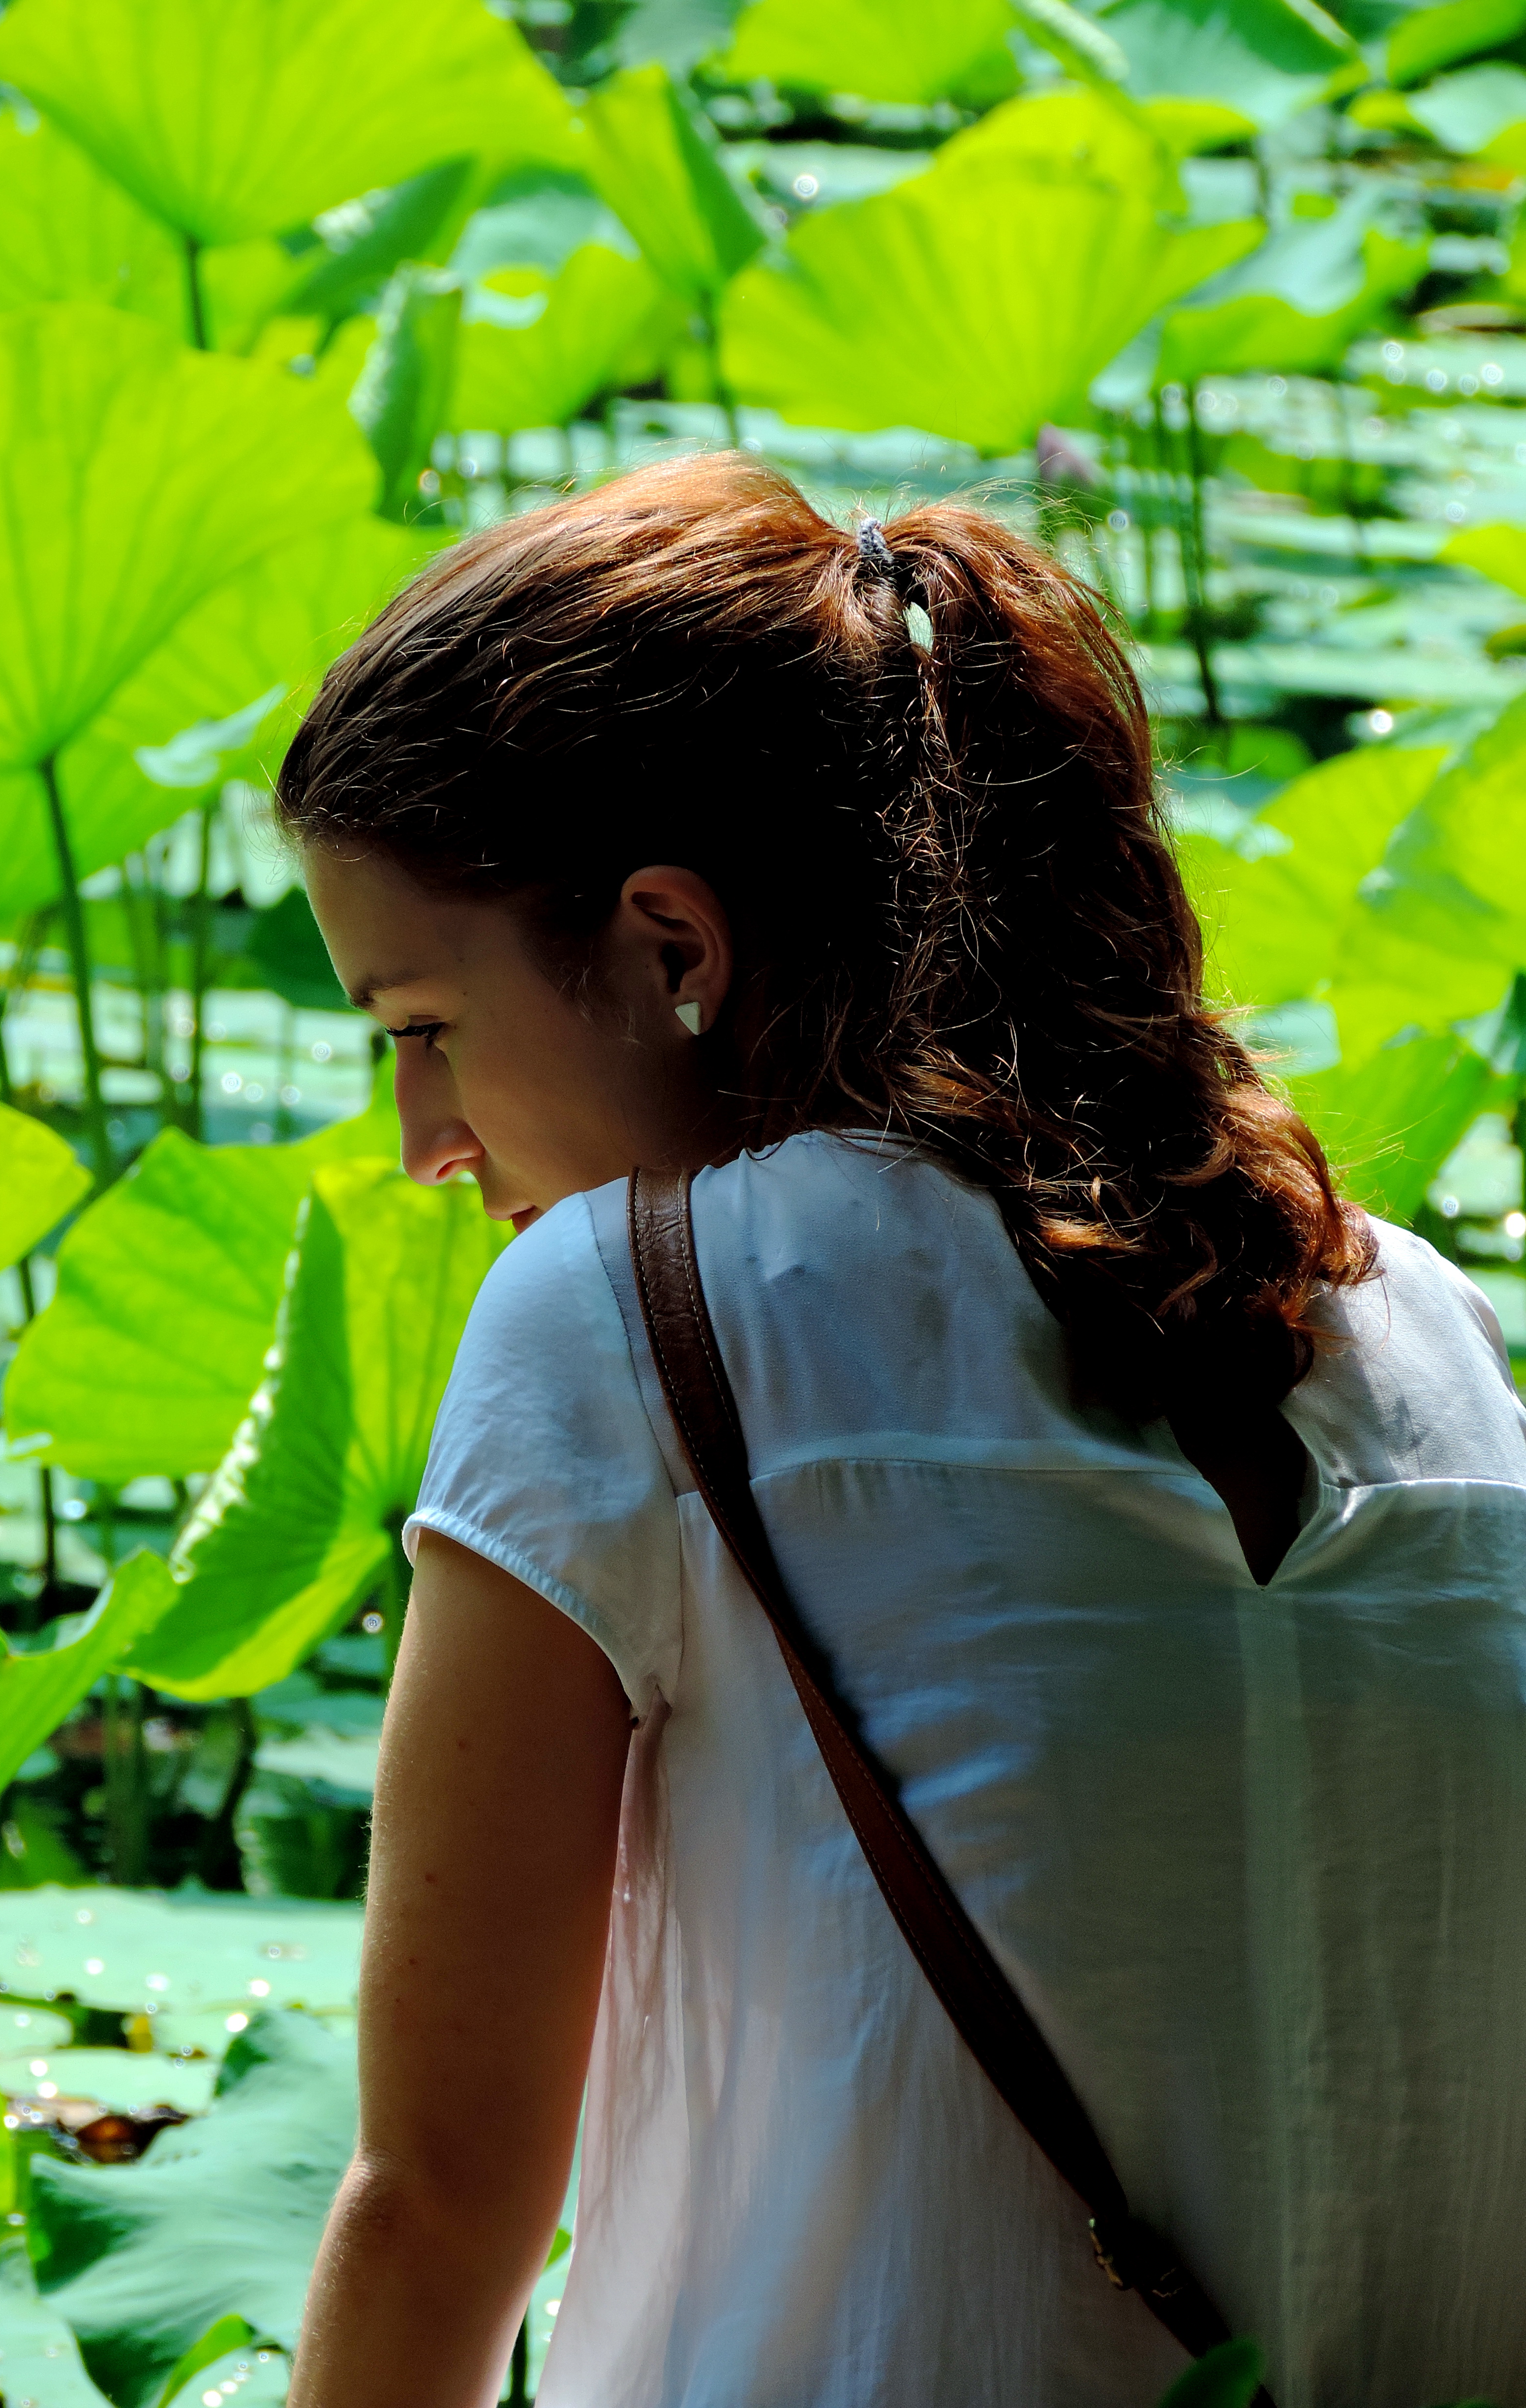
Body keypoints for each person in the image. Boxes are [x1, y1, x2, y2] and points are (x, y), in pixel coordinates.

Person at [278, 455, 1526, 2408]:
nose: (427, 1145)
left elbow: (442, 2208)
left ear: (671, 948)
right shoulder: (1436, 1327)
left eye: (420, 1023)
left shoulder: (623, 1315)